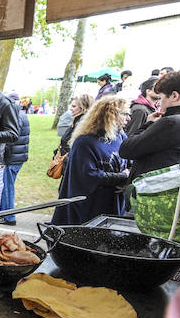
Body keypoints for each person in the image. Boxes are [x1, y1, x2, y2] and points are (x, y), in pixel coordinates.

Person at [50, 96, 130, 225]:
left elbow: (131, 162)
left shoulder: (120, 137)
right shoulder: (85, 142)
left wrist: (126, 180)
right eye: (124, 114)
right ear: (110, 115)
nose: (128, 118)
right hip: (90, 207)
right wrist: (122, 177)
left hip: (113, 204)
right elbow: (88, 175)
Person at [119, 69, 180, 188]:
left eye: (161, 97)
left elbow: (126, 149)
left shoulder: (171, 122)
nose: (159, 102)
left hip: (152, 193)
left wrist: (147, 124)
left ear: (174, 96)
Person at [0, 106, 29, 225]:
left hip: (12, 158)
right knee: (7, 187)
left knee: (7, 188)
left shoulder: (15, 116)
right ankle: (5, 214)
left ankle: (9, 217)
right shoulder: (21, 114)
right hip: (17, 156)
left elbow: (12, 137)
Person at [54, 94, 94, 161]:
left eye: (74, 106)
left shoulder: (82, 125)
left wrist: (65, 160)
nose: (71, 108)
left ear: (83, 108)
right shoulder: (77, 122)